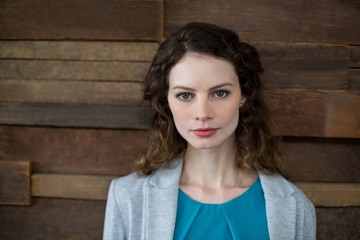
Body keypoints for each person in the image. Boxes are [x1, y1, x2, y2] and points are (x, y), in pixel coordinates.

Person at [103, 22, 316, 240]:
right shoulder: (127, 198)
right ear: (166, 101)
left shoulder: (294, 206)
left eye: (220, 93)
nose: (202, 113)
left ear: (244, 95)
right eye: (185, 95)